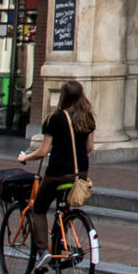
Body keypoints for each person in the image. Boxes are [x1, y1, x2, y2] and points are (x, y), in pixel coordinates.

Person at [16, 80, 93, 240]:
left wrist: (25, 157)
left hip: (58, 173)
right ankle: (60, 242)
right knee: (63, 208)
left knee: (38, 208)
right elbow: (89, 147)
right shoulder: (87, 117)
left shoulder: (55, 118)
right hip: (80, 173)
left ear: (63, 96)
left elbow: (43, 151)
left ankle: (43, 252)